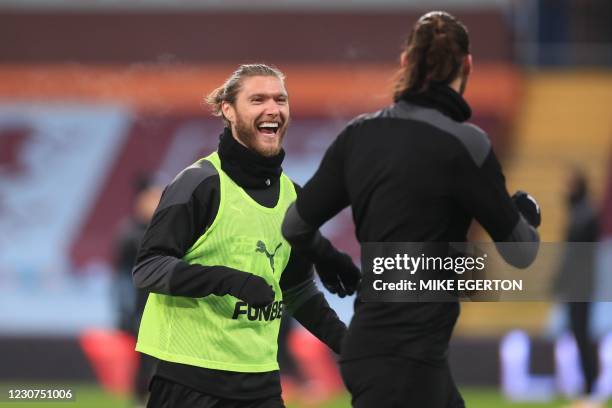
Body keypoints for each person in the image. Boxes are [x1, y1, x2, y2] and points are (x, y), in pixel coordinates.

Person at [282, 11, 541, 408]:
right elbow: (521, 253)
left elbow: (296, 226)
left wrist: (330, 258)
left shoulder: (357, 136)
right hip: (408, 358)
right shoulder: (467, 144)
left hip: (380, 349)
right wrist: (522, 214)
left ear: (406, 63)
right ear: (467, 66)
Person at [133, 64, 349, 408]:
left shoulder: (295, 198)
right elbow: (148, 268)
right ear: (228, 110)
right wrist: (227, 280)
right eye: (258, 99)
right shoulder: (198, 184)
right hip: (189, 381)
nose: (273, 109)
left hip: (261, 383)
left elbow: (297, 291)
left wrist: (352, 345)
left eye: (280, 99)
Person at [113, 175, 162, 404]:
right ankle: (141, 398)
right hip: (141, 307)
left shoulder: (168, 230)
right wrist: (124, 310)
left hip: (165, 307)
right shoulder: (130, 234)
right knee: (146, 360)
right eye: (150, 199)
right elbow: (121, 277)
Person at [555, 168, 600, 408]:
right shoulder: (579, 214)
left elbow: (576, 256)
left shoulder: (584, 216)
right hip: (577, 287)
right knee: (578, 335)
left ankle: (591, 390)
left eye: (569, 185)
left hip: (580, 287)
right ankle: (588, 388)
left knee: (582, 336)